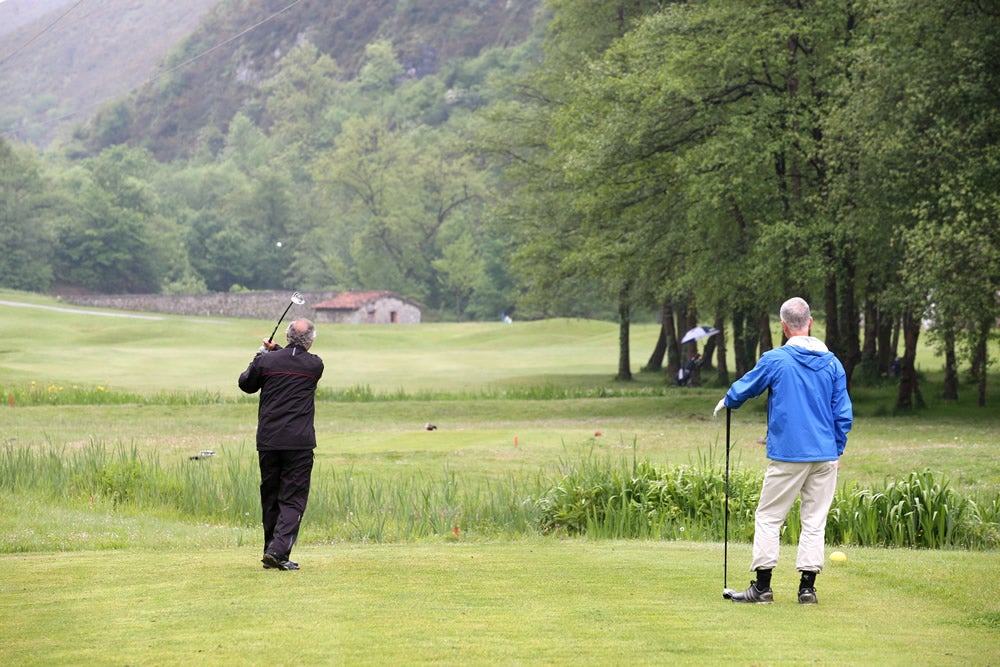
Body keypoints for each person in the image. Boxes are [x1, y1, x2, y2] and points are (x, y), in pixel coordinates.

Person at [713, 297, 853, 604]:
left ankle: (762, 588)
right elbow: (843, 413)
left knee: (769, 517)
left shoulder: (776, 359)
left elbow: (747, 387)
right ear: (811, 322)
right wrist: (837, 449)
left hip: (789, 454)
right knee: (814, 520)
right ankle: (807, 589)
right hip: (825, 454)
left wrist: (728, 400)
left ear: (784, 327)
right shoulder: (832, 363)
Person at [239, 318, 324, 571]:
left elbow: (246, 384)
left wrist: (262, 353)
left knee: (271, 497)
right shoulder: (315, 365)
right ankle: (277, 551)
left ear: (287, 337)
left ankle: (272, 552)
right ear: (310, 341)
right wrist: (274, 351)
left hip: (269, 440)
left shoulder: (266, 362)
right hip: (298, 443)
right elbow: (294, 358)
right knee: (293, 499)